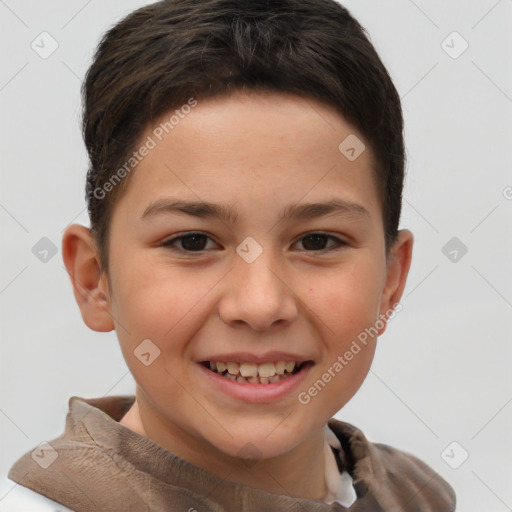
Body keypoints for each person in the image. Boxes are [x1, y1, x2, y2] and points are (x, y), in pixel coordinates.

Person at [2, 0, 456, 510]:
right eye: (193, 241)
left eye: (317, 241)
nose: (260, 305)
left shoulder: (421, 496)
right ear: (94, 279)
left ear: (390, 283)